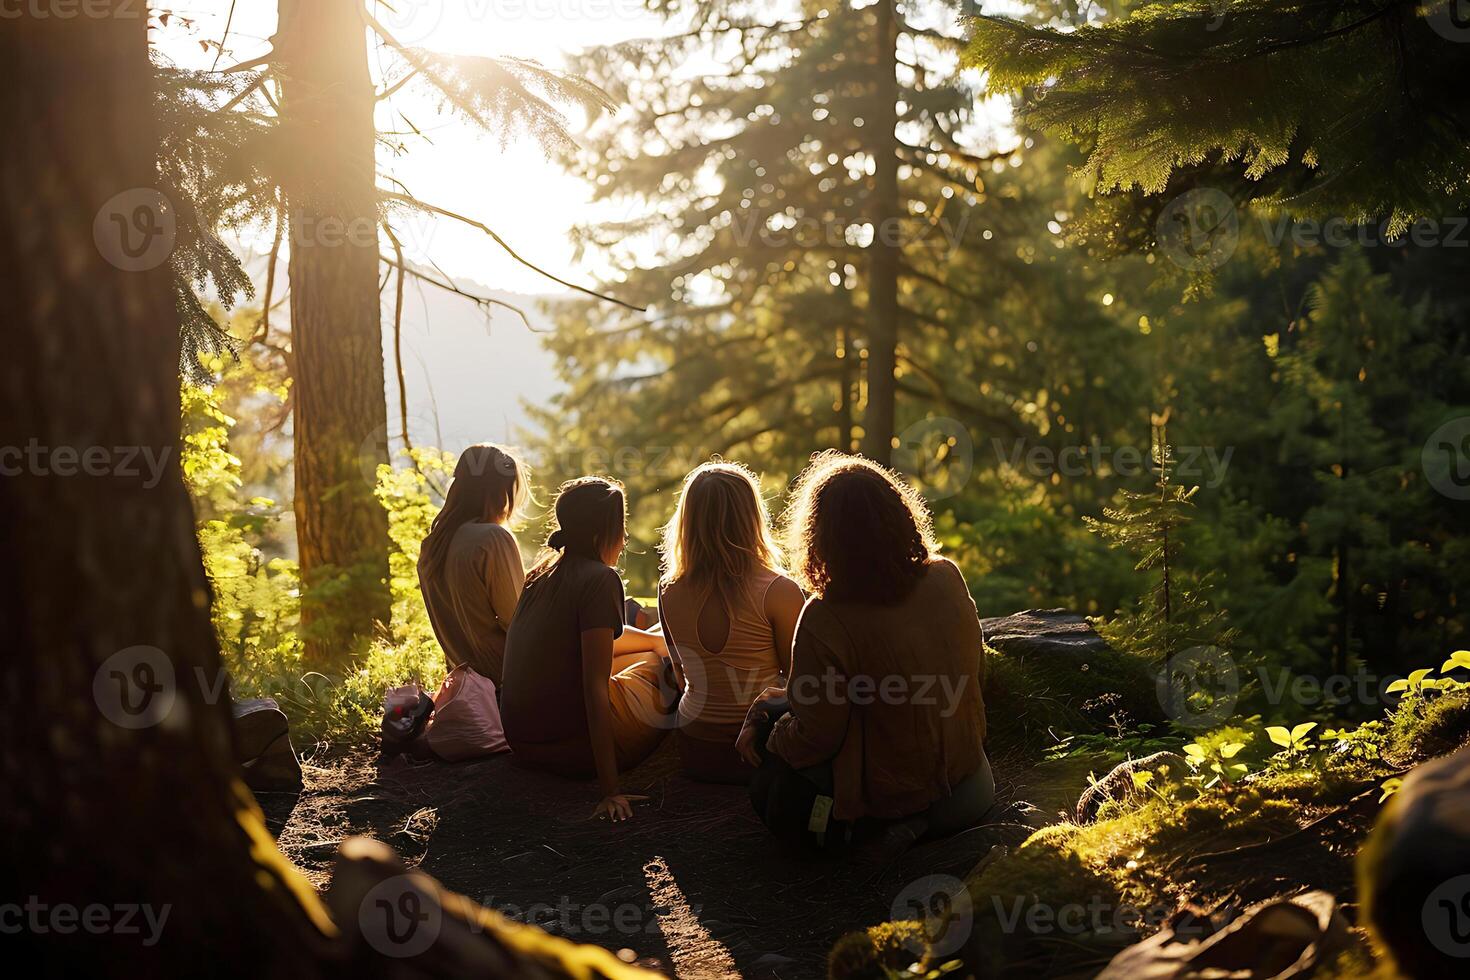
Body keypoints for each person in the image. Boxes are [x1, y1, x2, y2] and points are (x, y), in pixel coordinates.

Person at [737, 451, 994, 851]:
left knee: (772, 748)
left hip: (893, 798)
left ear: (820, 535)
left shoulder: (825, 617)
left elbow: (817, 737)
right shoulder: (946, 574)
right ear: (900, 514)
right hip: (972, 780)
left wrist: (772, 736)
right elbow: (975, 672)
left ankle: (880, 828)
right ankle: (919, 823)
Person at [500, 477, 678, 822]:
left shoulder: (541, 574)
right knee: (659, 665)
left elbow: (594, 642)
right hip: (573, 751)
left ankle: (657, 644)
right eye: (622, 530)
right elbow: (593, 687)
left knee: (652, 647)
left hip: (525, 743)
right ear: (604, 532)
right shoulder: (599, 578)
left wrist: (656, 639)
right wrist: (610, 789)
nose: (625, 540)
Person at [657, 462, 804, 783]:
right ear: (752, 517)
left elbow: (681, 670)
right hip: (758, 747)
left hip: (696, 747)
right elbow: (799, 682)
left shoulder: (668, 587)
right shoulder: (779, 590)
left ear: (687, 520)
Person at [417, 443, 528, 687]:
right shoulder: (491, 539)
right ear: (499, 492)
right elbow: (520, 623)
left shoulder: (432, 545)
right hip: (507, 676)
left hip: (463, 681)